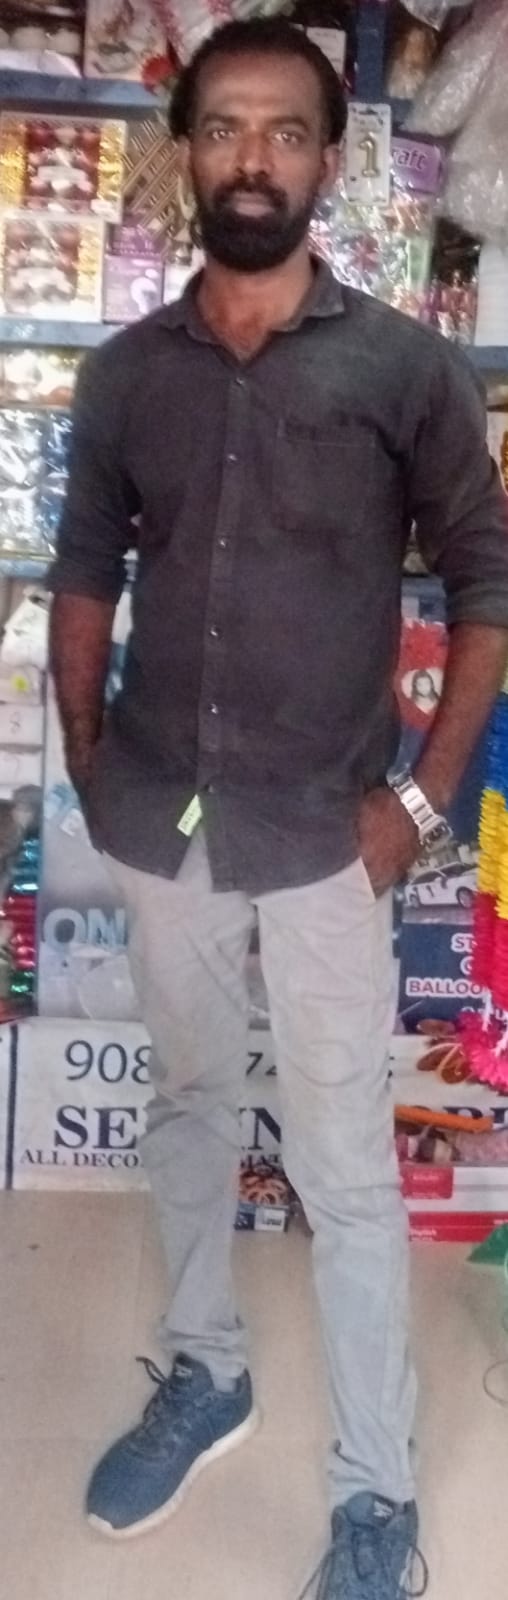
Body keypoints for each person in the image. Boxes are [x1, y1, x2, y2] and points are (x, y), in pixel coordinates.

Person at [49, 18, 508, 1599]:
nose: (254, 157)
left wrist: (421, 802)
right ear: (185, 151)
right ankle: (206, 1369)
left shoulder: (406, 369)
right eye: (226, 127)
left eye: (287, 131)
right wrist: (89, 752)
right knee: (186, 1105)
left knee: (345, 1164)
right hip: (163, 815)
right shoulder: (125, 376)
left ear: (328, 159)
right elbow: (86, 571)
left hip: (328, 832)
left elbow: (487, 585)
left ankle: (377, 1497)